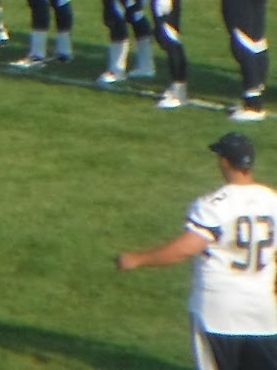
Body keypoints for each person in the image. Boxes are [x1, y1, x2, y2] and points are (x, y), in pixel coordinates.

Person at [116, 132, 277, 369]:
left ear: (223, 161)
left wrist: (137, 259)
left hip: (218, 310)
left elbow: (186, 248)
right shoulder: (271, 200)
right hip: (263, 311)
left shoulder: (213, 206)